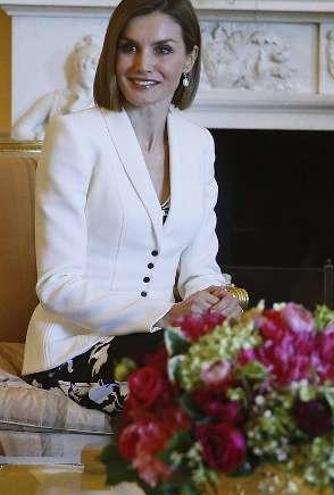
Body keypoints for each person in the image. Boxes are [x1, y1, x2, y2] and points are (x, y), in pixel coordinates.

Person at [21, 0, 242, 414]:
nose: (143, 64)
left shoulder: (199, 144)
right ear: (112, 54)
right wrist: (166, 313)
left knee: (262, 364)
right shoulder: (74, 135)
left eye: (163, 49)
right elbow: (57, 283)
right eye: (129, 48)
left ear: (189, 58)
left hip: (163, 340)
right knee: (195, 377)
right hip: (73, 347)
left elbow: (199, 270)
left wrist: (217, 298)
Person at [10, 35, 101, 141]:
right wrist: (43, 138)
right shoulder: (54, 99)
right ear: (78, 67)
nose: (96, 74)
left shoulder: (102, 101)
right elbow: (18, 131)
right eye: (93, 67)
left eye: (99, 69)